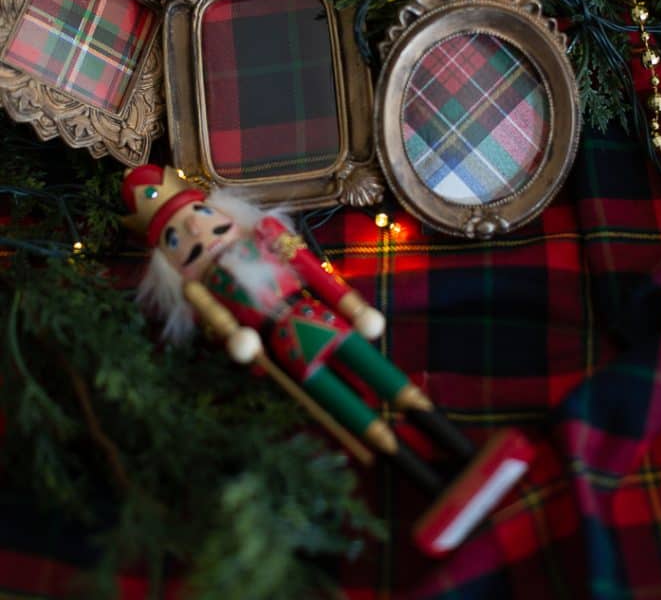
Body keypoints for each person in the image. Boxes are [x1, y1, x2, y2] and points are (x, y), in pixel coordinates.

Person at [122, 164, 534, 555]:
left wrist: (352, 306)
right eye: (175, 237)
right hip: (287, 346)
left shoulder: (262, 235)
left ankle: (464, 453)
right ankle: (430, 487)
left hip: (314, 317)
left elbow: (311, 270)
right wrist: (239, 340)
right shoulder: (202, 289)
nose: (196, 229)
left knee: (395, 385)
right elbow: (222, 324)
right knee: (361, 421)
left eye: (197, 212)